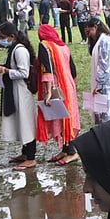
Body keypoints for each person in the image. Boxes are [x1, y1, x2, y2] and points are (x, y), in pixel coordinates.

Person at [0, 23, 39, 171]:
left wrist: (4, 70)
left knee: (26, 123)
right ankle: (25, 154)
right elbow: (13, 66)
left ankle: (31, 158)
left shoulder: (20, 51)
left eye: (2, 37)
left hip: (21, 91)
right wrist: (0, 66)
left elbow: (23, 73)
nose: (1, 40)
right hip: (14, 90)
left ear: (12, 37)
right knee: (20, 122)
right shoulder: (12, 48)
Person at [35, 24, 82, 165]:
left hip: (56, 85)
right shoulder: (63, 46)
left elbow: (47, 68)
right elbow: (73, 69)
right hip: (68, 85)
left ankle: (72, 152)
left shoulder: (45, 45)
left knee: (63, 117)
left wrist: (48, 91)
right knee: (67, 116)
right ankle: (66, 149)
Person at [83, 17, 110, 124]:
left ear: (96, 27)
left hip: (109, 82)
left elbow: (104, 65)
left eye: (90, 31)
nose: (89, 34)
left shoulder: (105, 41)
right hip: (108, 79)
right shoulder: (102, 40)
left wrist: (99, 85)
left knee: (109, 112)